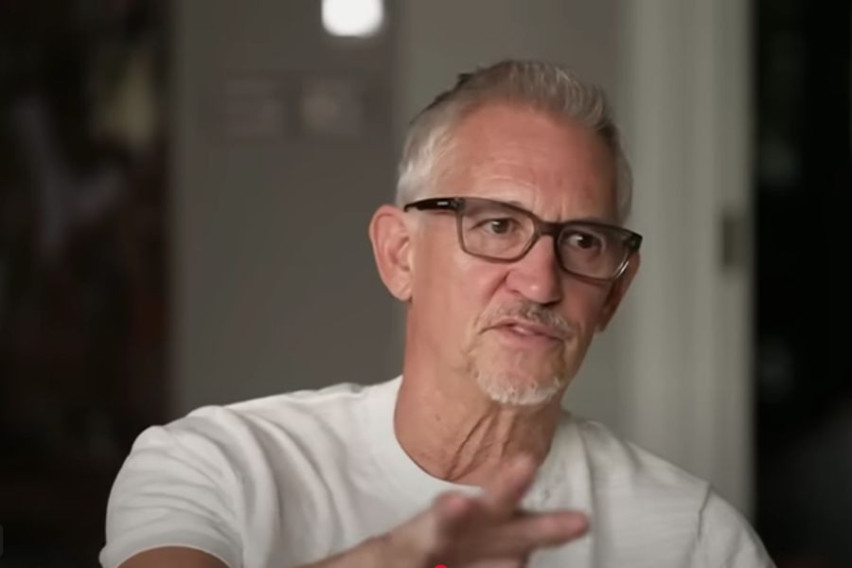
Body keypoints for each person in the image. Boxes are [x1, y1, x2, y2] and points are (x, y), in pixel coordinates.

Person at [100, 60, 774, 568]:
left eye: (583, 242)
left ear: (614, 296)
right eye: (497, 226)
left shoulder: (694, 538)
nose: (541, 281)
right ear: (400, 255)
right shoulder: (220, 466)